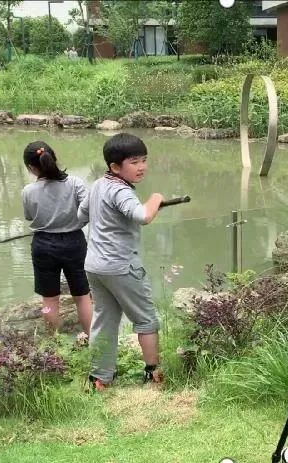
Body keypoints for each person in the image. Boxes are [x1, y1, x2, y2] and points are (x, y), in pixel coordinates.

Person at [78, 133, 165, 390]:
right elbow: (142, 216)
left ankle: (100, 378)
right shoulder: (120, 190)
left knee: (104, 320)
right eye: (134, 162)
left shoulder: (97, 186)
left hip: (95, 266)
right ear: (115, 167)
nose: (142, 167)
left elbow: (80, 215)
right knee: (146, 319)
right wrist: (156, 199)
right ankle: (154, 375)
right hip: (121, 266)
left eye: (144, 160)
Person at [22, 141, 93, 337]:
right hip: (74, 242)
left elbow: (29, 216)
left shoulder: (28, 191)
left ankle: (55, 344)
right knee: (82, 296)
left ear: (31, 167)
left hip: (43, 245)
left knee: (50, 299)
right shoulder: (75, 183)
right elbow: (87, 209)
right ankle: (93, 342)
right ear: (54, 158)